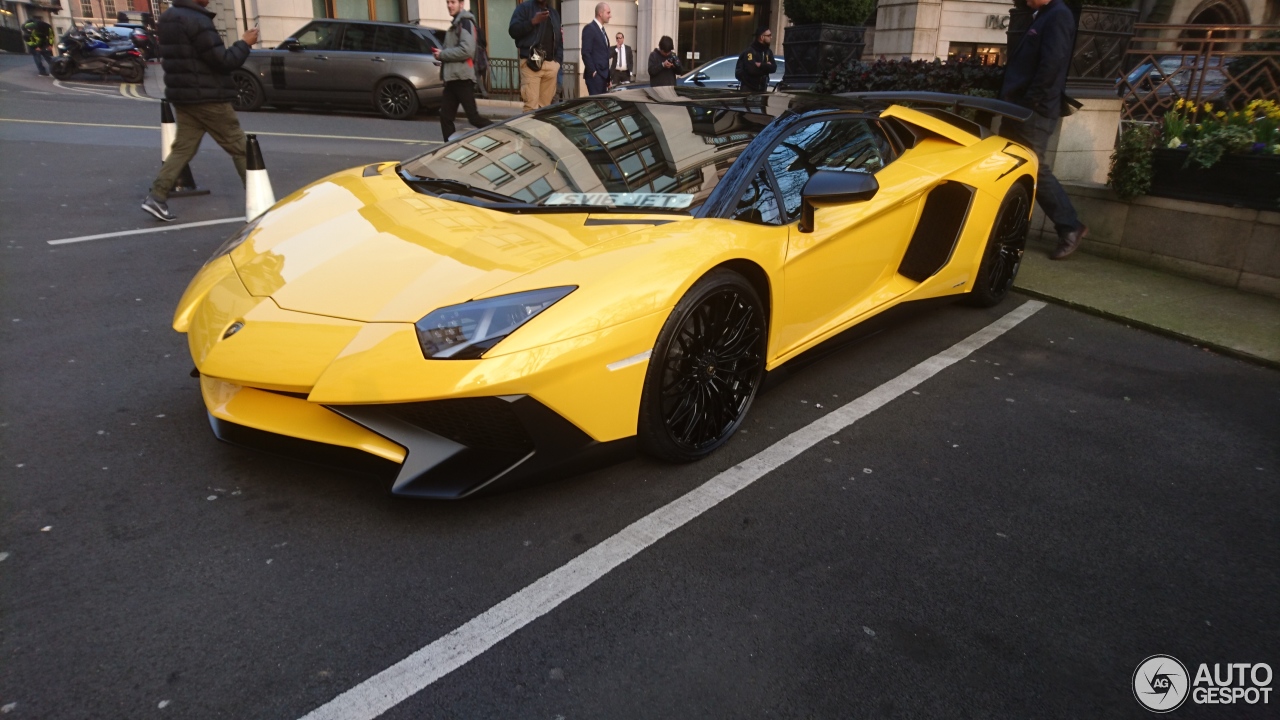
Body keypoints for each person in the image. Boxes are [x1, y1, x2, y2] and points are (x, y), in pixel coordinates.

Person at [140, 0, 258, 222]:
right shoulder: (197, 20)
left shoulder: (167, 18)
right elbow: (223, 60)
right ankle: (261, 201)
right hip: (209, 97)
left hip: (184, 96)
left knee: (183, 148)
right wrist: (245, 43)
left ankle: (156, 196)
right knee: (242, 149)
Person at [999, 0, 1088, 259]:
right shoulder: (1042, 15)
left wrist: (1031, 103)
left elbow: (1053, 63)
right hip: (1018, 108)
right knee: (1008, 166)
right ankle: (1008, 226)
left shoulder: (1058, 15)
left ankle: (1070, 227)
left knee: (1034, 168)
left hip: (1033, 110)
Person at [434, 0, 492, 140]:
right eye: (448, 2)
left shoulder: (465, 22)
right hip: (453, 79)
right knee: (445, 117)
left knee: (473, 118)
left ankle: (503, 133)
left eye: (453, 2)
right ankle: (449, 149)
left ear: (461, 4)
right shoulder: (456, 24)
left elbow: (467, 50)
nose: (449, 5)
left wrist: (442, 54)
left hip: (463, 79)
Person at [509, 0, 562, 112]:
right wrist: (532, 22)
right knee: (530, 109)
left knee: (544, 110)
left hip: (550, 66)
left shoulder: (554, 13)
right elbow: (513, 31)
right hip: (531, 64)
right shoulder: (524, 8)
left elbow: (559, 39)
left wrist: (557, 62)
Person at [580, 2, 612, 95]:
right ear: (600, 13)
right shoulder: (589, 28)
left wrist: (608, 78)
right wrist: (593, 71)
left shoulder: (602, 30)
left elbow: (604, 55)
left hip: (603, 77)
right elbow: (585, 52)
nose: (610, 16)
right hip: (595, 77)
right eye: (608, 13)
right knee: (597, 105)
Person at [735, 27, 776, 92]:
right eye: (768, 35)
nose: (771, 37)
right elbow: (752, 70)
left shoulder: (768, 52)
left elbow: (773, 68)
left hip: (762, 88)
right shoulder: (750, 51)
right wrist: (767, 67)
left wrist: (761, 65)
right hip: (749, 89)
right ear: (762, 37)